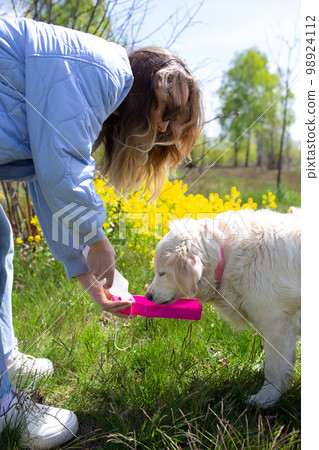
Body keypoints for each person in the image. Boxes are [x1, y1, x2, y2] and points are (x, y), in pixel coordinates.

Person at [0, 16, 204, 448]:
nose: (164, 128)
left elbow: (46, 184)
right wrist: (96, 239)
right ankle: (3, 408)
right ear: (151, 85)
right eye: (167, 113)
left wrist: (88, 278)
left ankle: (3, 359)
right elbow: (60, 168)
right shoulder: (106, 71)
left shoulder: (92, 86)